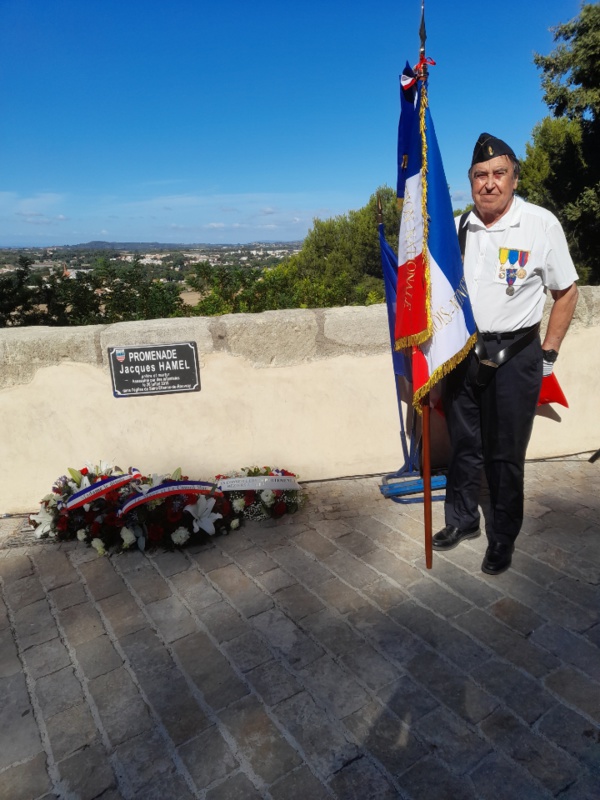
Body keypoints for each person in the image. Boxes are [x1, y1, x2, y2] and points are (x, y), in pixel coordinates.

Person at [433, 132, 579, 575]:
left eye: (499, 174)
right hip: (465, 356)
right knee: (464, 447)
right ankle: (462, 521)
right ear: (471, 181)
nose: (489, 183)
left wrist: (548, 350)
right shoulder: (459, 228)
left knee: (505, 453)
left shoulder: (539, 223)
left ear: (514, 179)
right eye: (480, 175)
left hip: (516, 355)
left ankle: (502, 537)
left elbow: (566, 291)